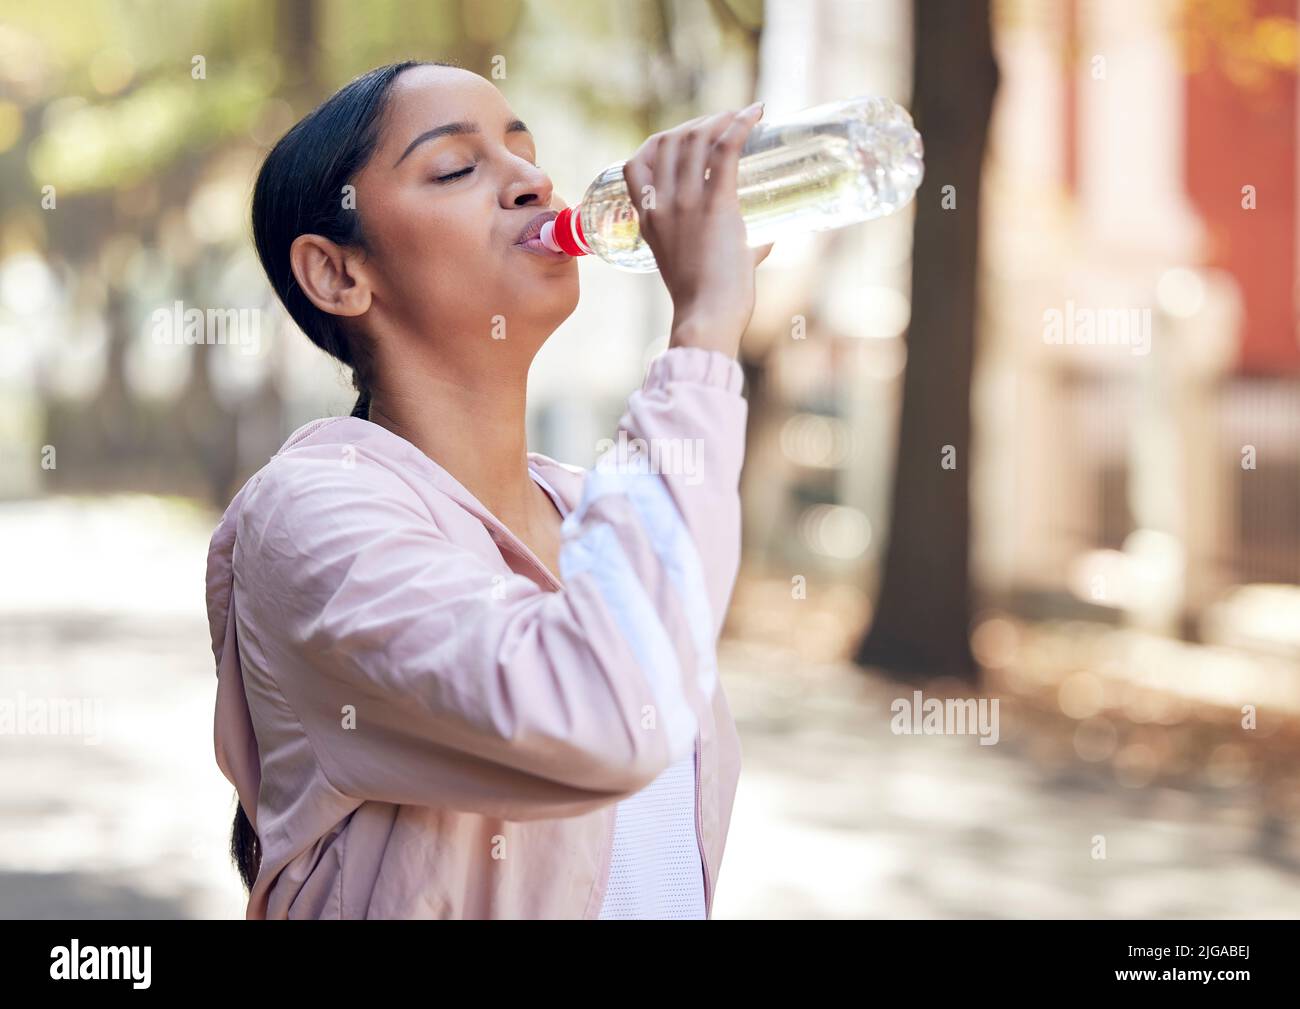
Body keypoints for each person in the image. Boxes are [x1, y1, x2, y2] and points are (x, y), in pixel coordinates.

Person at [205, 59, 772, 919]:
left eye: (525, 152)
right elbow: (602, 718)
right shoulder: (311, 513)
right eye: (456, 168)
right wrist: (700, 333)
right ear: (337, 273)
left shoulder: (596, 509)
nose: (533, 182)